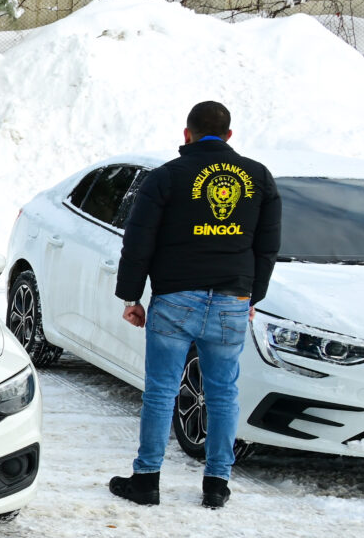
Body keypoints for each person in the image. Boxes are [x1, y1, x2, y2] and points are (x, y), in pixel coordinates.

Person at [107, 101, 280, 510]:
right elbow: (268, 245)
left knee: (161, 391)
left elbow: (139, 240)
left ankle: (146, 480)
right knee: (223, 394)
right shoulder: (258, 177)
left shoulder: (167, 177)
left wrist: (132, 296)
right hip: (231, 300)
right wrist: (252, 295)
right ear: (229, 136)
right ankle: (217, 484)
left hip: (175, 298)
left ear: (186, 134)